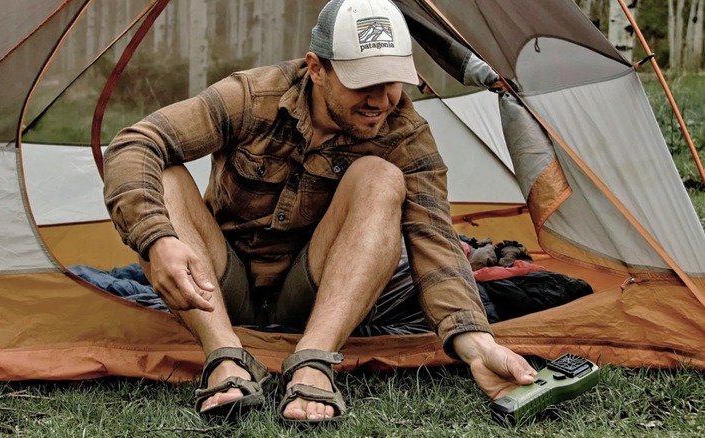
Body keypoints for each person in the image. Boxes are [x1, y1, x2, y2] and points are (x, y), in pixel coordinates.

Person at [103, 0, 535, 424]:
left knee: (380, 176)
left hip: (313, 299)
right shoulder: (253, 96)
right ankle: (224, 359)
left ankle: (312, 362)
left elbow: (435, 242)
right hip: (218, 288)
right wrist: (157, 239)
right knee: (165, 172)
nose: (380, 100)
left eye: (394, 81)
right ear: (317, 68)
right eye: (363, 82)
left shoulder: (406, 137)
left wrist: (476, 343)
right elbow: (135, 142)